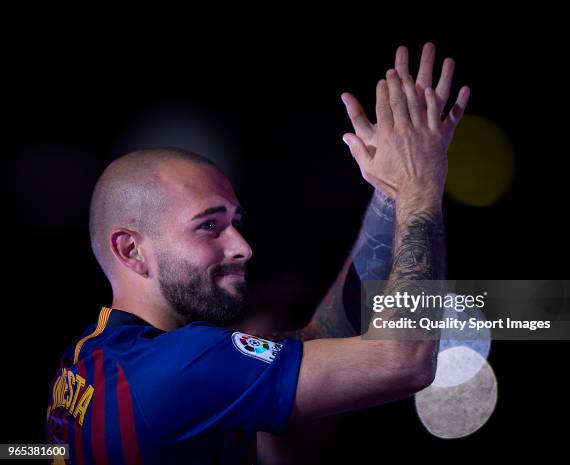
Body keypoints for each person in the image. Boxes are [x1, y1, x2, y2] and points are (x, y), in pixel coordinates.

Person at [45, 42, 470, 465]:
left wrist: (390, 195)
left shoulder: (92, 357)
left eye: (235, 222)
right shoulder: (181, 367)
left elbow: (319, 336)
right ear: (131, 249)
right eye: (209, 225)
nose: (243, 247)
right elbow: (404, 361)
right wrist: (421, 186)